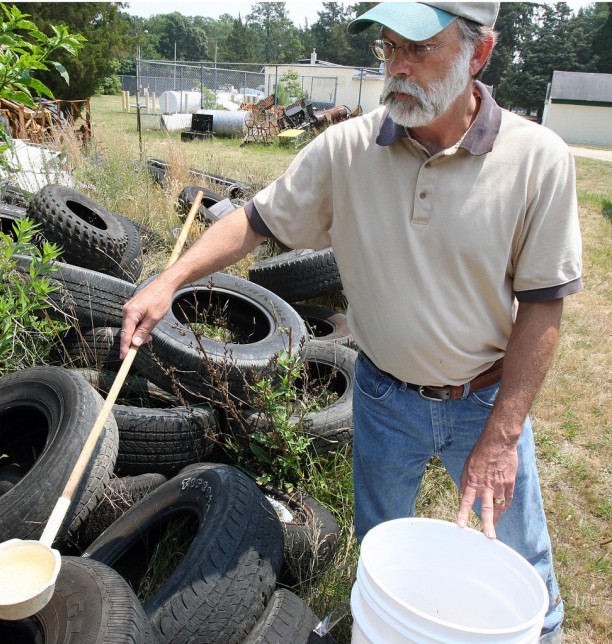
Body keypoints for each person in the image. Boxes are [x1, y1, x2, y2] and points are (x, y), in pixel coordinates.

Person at [121, 3, 581, 640]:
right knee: (381, 546)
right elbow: (255, 221)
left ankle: (546, 632)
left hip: (485, 399)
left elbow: (543, 304)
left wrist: (503, 436)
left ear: (479, 54)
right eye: (389, 49)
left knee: (519, 556)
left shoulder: (538, 160)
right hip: (384, 395)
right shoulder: (346, 150)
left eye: (419, 50)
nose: (397, 68)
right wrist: (168, 281)